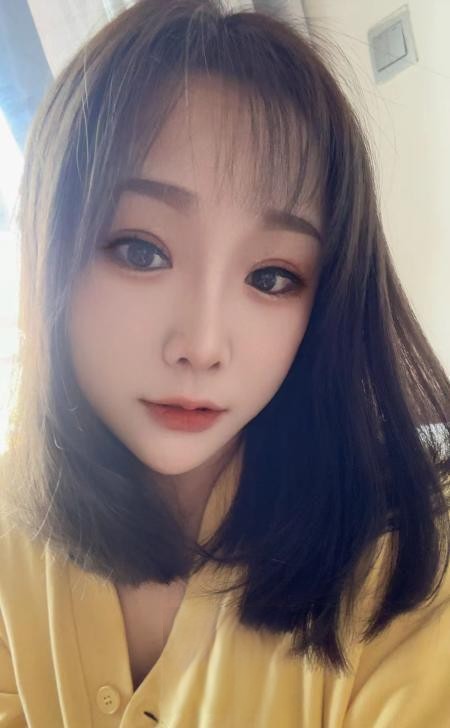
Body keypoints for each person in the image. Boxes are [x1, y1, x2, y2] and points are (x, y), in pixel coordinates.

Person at [0, 0, 449, 725]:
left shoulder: (405, 571)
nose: (203, 346)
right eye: (141, 251)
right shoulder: (14, 518)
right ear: (50, 252)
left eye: (271, 276)